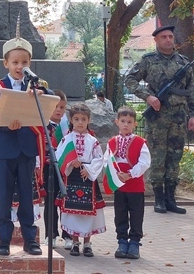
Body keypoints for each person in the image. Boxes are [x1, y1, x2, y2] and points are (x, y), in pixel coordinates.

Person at [124, 25, 194, 214]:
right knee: (158, 157)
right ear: (156, 40)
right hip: (157, 118)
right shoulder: (148, 61)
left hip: (179, 118)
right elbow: (129, 79)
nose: (168, 39)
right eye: (164, 37)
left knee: (175, 157)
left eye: (171, 36)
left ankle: (170, 199)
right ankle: (159, 199)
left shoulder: (183, 62)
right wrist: (147, 96)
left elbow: (192, 90)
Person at [0, 35, 43, 257]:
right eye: (15, 62)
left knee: (27, 196)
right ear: (6, 63)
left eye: (25, 62)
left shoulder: (36, 85)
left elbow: (48, 102)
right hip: (6, 150)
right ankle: (4, 240)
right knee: (6, 196)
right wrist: (6, 124)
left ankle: (30, 239)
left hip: (27, 149)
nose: (20, 66)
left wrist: (39, 93)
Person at [56, 103, 106, 257]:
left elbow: (99, 158)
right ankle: (75, 242)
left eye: (83, 119)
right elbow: (59, 156)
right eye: (76, 119)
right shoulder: (66, 139)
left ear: (88, 120)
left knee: (88, 212)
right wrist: (71, 162)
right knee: (73, 213)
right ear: (71, 120)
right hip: (72, 178)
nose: (80, 122)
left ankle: (87, 243)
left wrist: (88, 169)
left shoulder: (93, 140)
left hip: (87, 178)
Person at [105, 106, 151, 260]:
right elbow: (108, 160)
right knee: (120, 213)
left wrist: (130, 174)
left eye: (129, 122)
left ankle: (135, 243)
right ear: (117, 122)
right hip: (120, 184)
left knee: (136, 214)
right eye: (123, 121)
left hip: (135, 185)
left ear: (134, 124)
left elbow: (144, 162)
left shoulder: (140, 142)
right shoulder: (112, 142)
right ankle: (122, 241)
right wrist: (115, 174)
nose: (126, 124)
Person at [41, 89, 68, 248]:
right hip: (48, 169)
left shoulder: (67, 127)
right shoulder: (43, 126)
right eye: (56, 106)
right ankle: (50, 234)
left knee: (65, 203)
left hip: (65, 170)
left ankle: (68, 235)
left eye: (62, 107)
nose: (58, 110)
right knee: (50, 203)